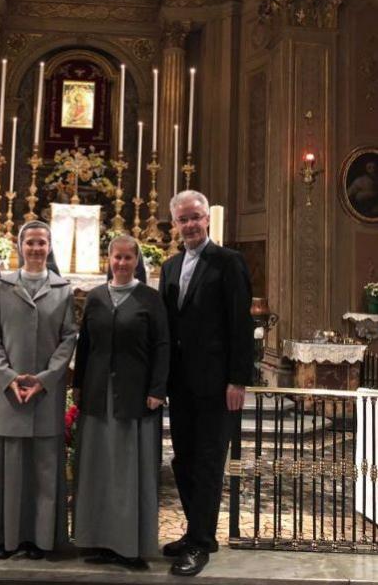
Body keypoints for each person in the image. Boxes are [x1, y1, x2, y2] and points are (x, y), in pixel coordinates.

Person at [159, 190, 254, 577]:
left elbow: (241, 324)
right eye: (183, 219)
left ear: (207, 218)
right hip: (180, 384)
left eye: (196, 217)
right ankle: (197, 533)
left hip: (217, 384)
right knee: (183, 460)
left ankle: (199, 542)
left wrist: (238, 379)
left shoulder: (228, 262)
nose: (190, 224)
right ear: (175, 224)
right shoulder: (170, 266)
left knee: (209, 463)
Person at [0, 220, 76, 559]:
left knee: (43, 471)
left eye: (41, 243)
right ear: (20, 246)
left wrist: (45, 379)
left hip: (45, 394)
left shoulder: (62, 289)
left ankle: (41, 540)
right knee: (8, 468)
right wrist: (7, 376)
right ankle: (4, 538)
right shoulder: (3, 285)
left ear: (49, 247)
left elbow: (68, 338)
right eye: (30, 242)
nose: (35, 248)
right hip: (9, 393)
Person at [73, 234, 169, 569]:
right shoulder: (96, 297)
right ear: (108, 259)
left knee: (129, 473)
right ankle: (98, 540)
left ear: (137, 261)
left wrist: (158, 388)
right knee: (97, 469)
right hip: (98, 396)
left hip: (134, 396)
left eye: (129, 257)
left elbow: (162, 345)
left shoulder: (150, 298)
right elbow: (85, 344)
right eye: (117, 257)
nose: (122, 263)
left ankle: (130, 546)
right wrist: (78, 385)